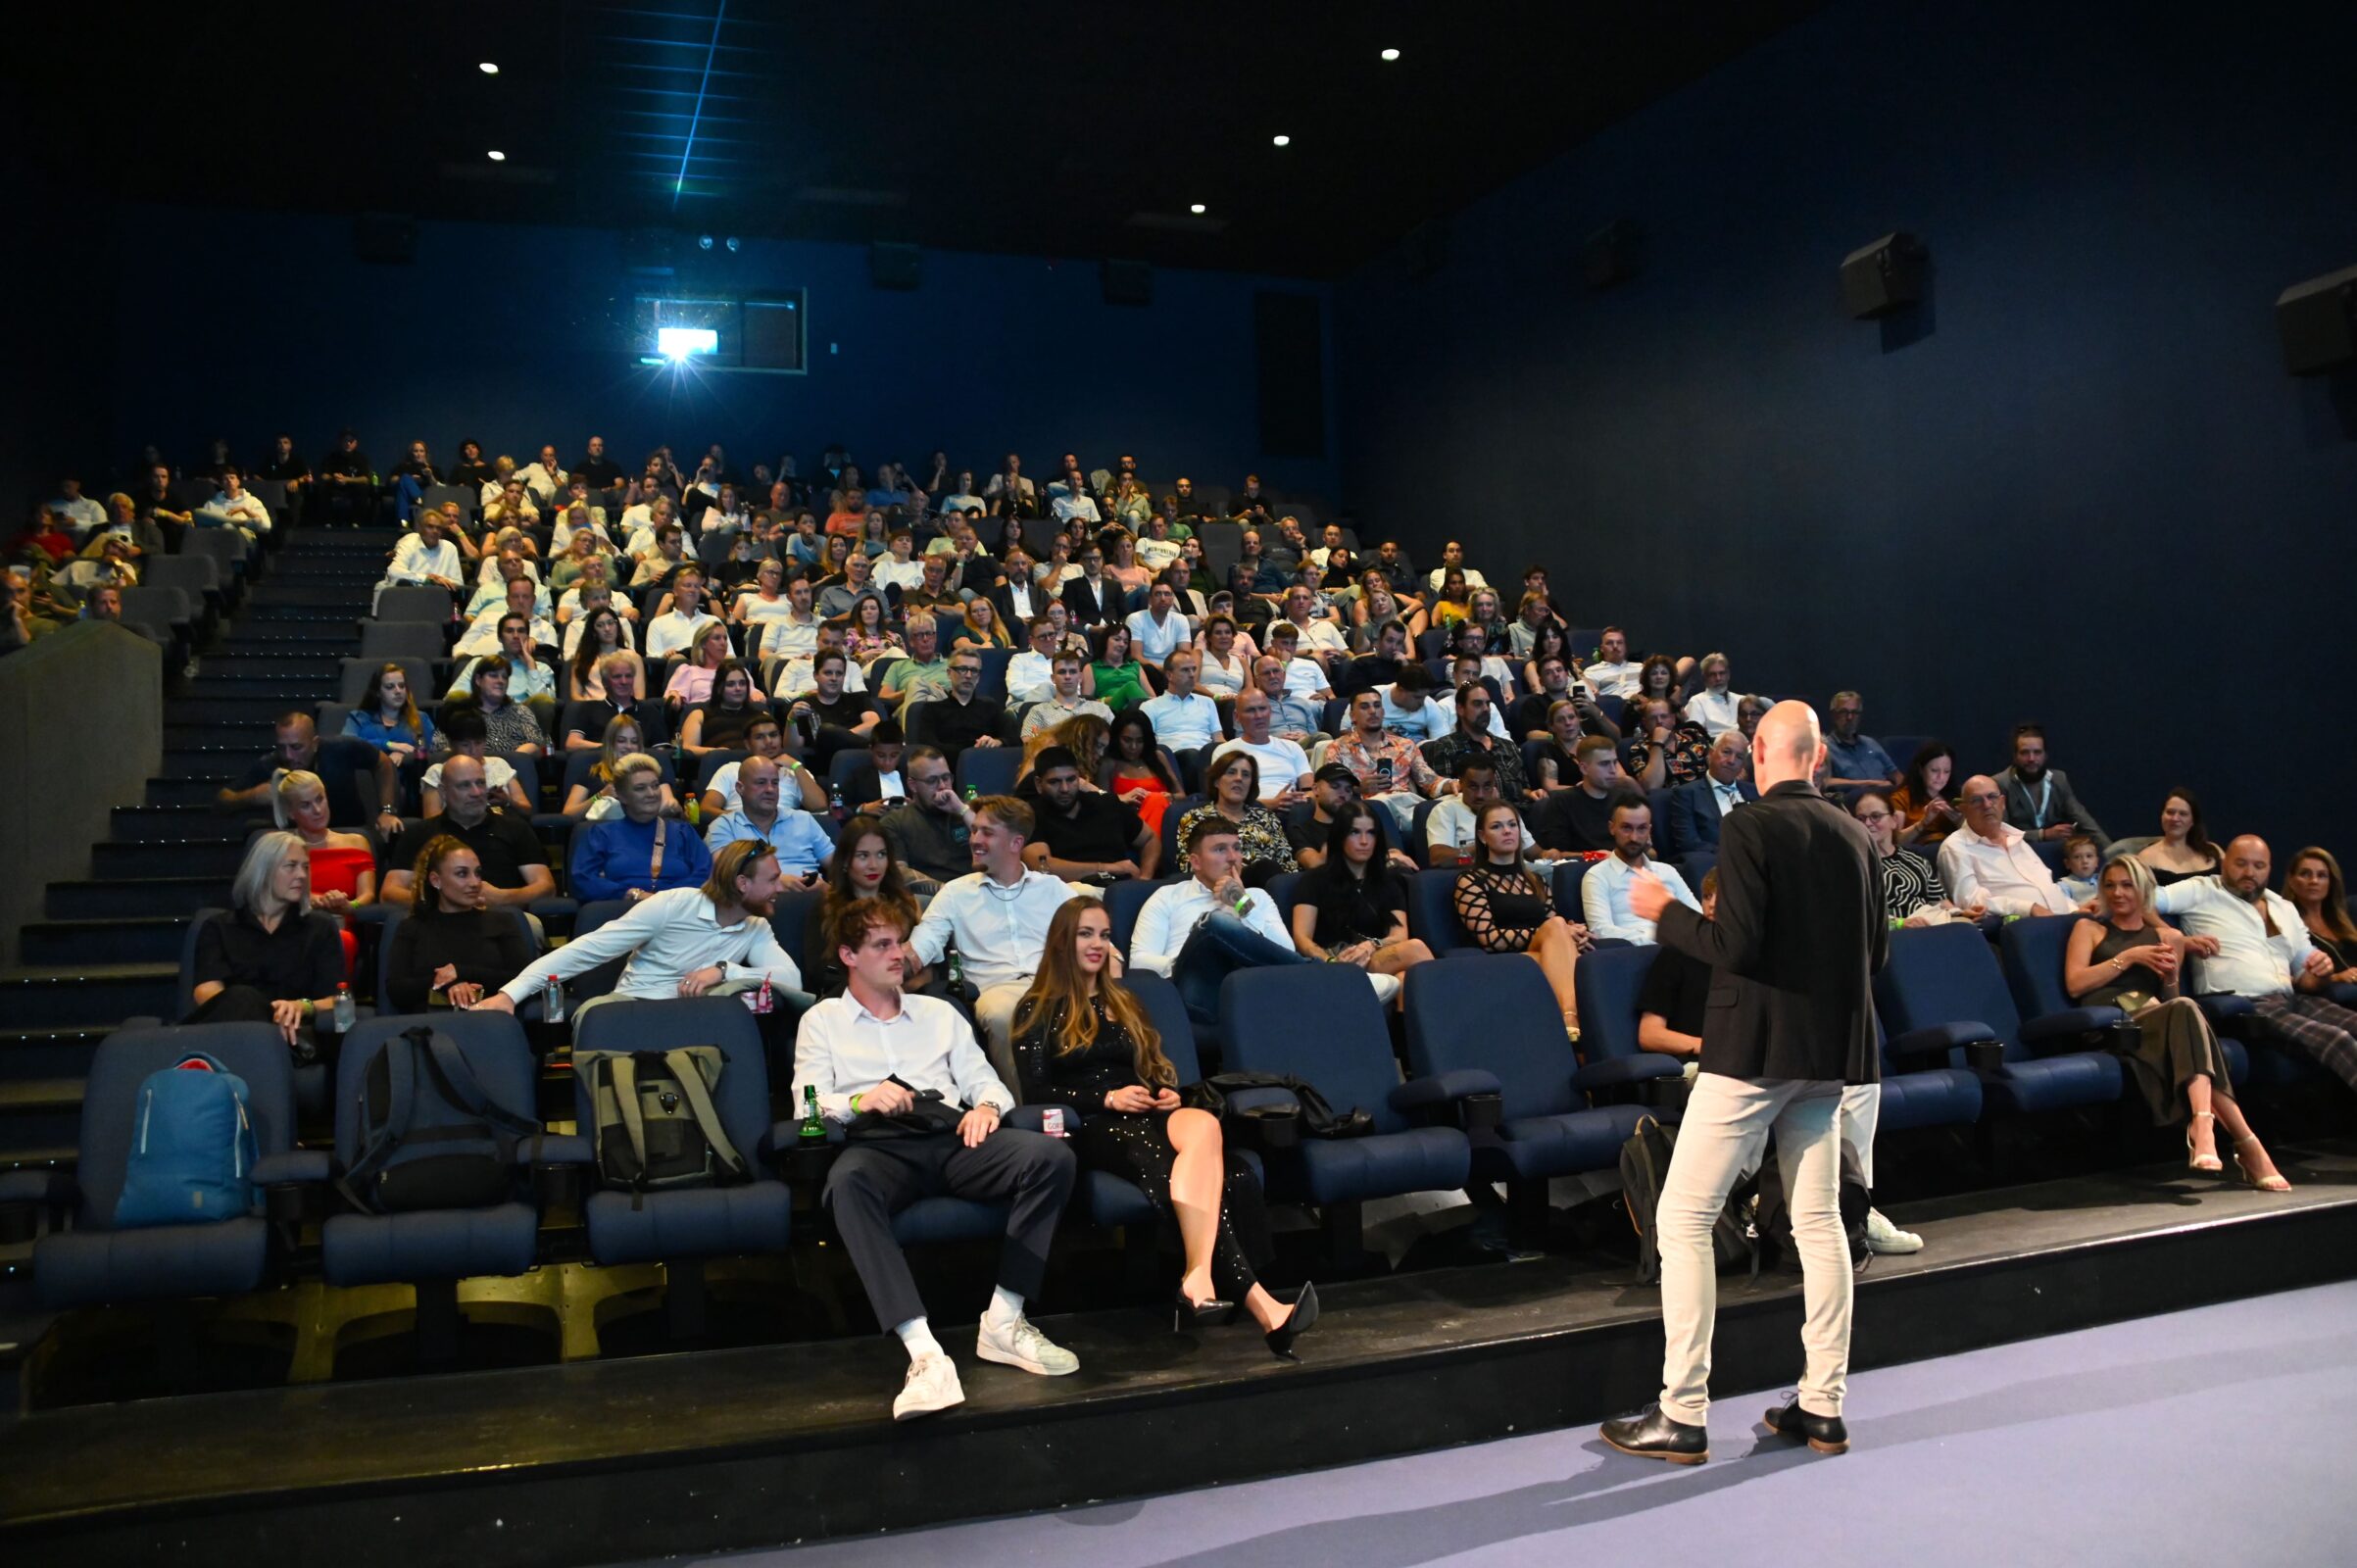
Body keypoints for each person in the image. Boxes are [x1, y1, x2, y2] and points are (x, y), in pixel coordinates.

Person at [1603, 701, 1884, 1465]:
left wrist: (1665, 913)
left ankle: (1681, 1411)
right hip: (1828, 1052)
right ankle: (1822, 1404)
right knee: (1818, 1221)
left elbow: (1735, 943)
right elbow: (1877, 957)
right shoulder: (1856, 834)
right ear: (1817, 756)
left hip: (1754, 1049)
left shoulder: (1749, 824)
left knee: (1682, 1217)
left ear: (1760, 750)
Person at [795, 900, 1079, 1420]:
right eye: (881, 945)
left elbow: (984, 1080)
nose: (898, 954)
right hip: (879, 1146)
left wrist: (987, 1108)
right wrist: (860, 1099)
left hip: (951, 1138)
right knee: (847, 1184)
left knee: (1049, 1157)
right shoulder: (823, 1020)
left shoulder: (939, 1012)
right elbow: (806, 1105)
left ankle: (1005, 1319)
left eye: (899, 942)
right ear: (848, 956)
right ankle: (924, 1352)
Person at [1013, 899, 1317, 1349]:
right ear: (1061, 942)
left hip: (1145, 1110)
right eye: (1085, 934)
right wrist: (1106, 1098)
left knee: (1205, 1126)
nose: (1097, 944)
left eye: (1103, 935)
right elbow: (1036, 1092)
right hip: (1093, 1122)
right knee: (1190, 1168)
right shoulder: (1037, 1008)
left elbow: (1148, 1067)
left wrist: (1163, 1091)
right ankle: (1264, 1306)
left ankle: (1197, 1275)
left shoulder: (1124, 1001)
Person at [2066, 858, 2287, 1188]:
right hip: (2112, 1021)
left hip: (2155, 1015)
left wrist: (2170, 978)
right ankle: (2238, 1141)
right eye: (2109, 885)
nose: (2117, 893)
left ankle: (2208, 1127)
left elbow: (2171, 998)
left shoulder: (2168, 936)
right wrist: (2128, 958)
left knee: (2184, 1008)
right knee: (2188, 1016)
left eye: (2127, 885)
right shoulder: (2089, 928)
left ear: (2144, 889)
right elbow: (2075, 984)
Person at [479, 840, 802, 1028]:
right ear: (742, 884)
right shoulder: (673, 905)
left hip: (694, 1018)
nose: (779, 888)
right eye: (772, 880)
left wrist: (724, 970)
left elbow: (792, 980)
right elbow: (586, 950)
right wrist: (511, 994)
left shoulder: (756, 926)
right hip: (635, 1006)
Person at [908, 795, 1099, 1077]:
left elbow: (1096, 937)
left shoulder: (1052, 888)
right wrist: (898, 959)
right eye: (974, 830)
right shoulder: (955, 893)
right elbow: (923, 944)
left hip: (1054, 984)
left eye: (987, 832)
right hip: (997, 990)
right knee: (1001, 1013)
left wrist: (1112, 962)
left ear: (1016, 843)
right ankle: (1024, 1103)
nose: (974, 840)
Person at [2159, 836, 2357, 1094]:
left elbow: (2306, 978)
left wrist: (2323, 970)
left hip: (2294, 998)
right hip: (2249, 1006)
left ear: (2269, 869)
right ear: (2224, 863)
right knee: (2338, 1039)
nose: (2250, 873)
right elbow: (2141, 900)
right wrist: (2176, 937)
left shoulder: (2283, 907)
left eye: (2258, 866)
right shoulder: (2202, 891)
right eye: (2241, 863)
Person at [1135, 815, 1372, 1023]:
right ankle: (1325, 975)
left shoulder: (1257, 897)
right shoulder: (1167, 896)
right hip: (1198, 995)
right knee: (1214, 923)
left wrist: (1242, 904)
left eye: (1237, 848)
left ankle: (1321, 977)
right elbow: (1139, 961)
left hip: (1255, 991)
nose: (1233, 858)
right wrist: (1186, 957)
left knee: (1223, 927)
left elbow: (1284, 951)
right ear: (1195, 861)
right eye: (1220, 849)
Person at [185, 832, 348, 1050]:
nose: (302, 875)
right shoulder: (218, 927)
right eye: (291, 866)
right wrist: (267, 1014)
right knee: (242, 997)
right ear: (264, 870)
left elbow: (339, 1001)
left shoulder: (320, 928)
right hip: (232, 1034)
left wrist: (301, 1006)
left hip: (295, 1037)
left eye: (305, 867)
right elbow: (206, 993)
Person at [1453, 802, 1589, 1038]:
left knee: (1564, 935)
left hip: (1540, 955)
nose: (1507, 831)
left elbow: (1553, 925)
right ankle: (1571, 1015)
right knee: (1558, 934)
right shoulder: (1470, 881)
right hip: (1500, 961)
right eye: (1497, 826)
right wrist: (1554, 932)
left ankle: (1568, 1027)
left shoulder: (1537, 880)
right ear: (1482, 837)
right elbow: (1490, 939)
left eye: (1512, 824)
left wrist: (1573, 932)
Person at [1289, 806, 1435, 998]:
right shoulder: (1313, 880)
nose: (1364, 841)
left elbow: (1400, 935)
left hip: (1373, 956)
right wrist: (1331, 962)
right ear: (1340, 836)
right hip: (1334, 962)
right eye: (1355, 832)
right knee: (1416, 949)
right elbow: (1302, 938)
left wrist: (1371, 945)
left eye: (1371, 833)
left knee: (1404, 979)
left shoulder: (1389, 881)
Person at [381, 756, 559, 909]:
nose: (476, 792)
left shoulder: (515, 828)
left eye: (480, 783)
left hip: (502, 916)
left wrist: (502, 898)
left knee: (531, 926)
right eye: (464, 785)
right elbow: (389, 893)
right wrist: (446, 901)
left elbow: (546, 887)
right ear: (443, 792)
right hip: (438, 921)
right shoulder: (420, 833)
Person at [383, 838, 537, 1011]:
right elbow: (397, 990)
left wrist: (461, 972)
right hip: (430, 1022)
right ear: (436, 880)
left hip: (491, 1019)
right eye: (462, 874)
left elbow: (524, 981)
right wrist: (446, 983)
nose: (475, 883)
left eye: (477, 873)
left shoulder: (502, 921)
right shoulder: (412, 927)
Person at [808, 813, 929, 998]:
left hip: (912, 997)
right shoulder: (827, 908)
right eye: (863, 856)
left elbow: (927, 968)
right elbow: (822, 974)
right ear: (845, 861)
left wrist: (906, 988)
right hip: (850, 1000)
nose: (873, 865)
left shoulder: (906, 903)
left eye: (881, 854)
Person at [570, 754, 713, 904]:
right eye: (640, 788)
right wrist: (631, 894)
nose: (651, 794)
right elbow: (583, 880)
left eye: (655, 786)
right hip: (622, 909)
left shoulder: (682, 831)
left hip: (679, 907)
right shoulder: (601, 834)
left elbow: (705, 872)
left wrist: (666, 898)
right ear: (622, 796)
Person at [218, 711, 385, 838]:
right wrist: (251, 796)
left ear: (315, 743)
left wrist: (388, 810)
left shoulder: (340, 749)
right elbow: (221, 803)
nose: (288, 756)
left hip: (347, 833)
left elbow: (384, 763)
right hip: (297, 842)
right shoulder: (271, 763)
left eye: (296, 747)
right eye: (282, 748)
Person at [1938, 775, 2077, 916]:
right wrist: (2028, 908)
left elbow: (2047, 885)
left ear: (2002, 803)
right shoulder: (1955, 847)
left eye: (1992, 797)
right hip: (2024, 924)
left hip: (2064, 918)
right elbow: (1971, 902)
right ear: (1963, 809)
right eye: (1976, 800)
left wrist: (2074, 909)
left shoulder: (2016, 837)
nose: (1987, 805)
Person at [1022, 747, 1158, 883]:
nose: (1065, 788)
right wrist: (1108, 868)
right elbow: (1041, 866)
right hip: (1068, 890)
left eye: (1071, 779)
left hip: (1119, 887)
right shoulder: (1030, 815)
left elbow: (1150, 839)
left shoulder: (1107, 804)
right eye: (1054, 782)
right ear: (1038, 784)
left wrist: (1144, 878)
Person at [1851, 790, 1984, 925]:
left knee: (1967, 925)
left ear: (1894, 821)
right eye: (1861, 819)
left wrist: (1961, 913)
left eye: (1875, 816)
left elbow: (1940, 901)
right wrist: (1901, 924)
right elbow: (1855, 915)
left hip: (1928, 922)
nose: (1867, 823)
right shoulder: (1853, 865)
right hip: (1888, 931)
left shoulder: (1915, 859)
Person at [1584, 797, 1701, 944]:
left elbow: (1698, 917)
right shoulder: (1597, 876)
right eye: (1626, 828)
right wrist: (1660, 939)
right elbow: (1601, 931)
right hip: (1635, 953)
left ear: (1649, 830)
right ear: (1612, 828)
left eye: (1641, 828)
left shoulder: (1667, 871)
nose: (1634, 837)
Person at [1174, 751, 1299, 885]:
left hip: (1268, 889)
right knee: (1265, 868)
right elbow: (1188, 866)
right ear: (1216, 781)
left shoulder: (1267, 817)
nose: (1239, 778)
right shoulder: (1195, 818)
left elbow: (1288, 865)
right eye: (1231, 772)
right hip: (1218, 886)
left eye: (1245, 775)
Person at [703, 755, 834, 880]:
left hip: (813, 892)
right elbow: (725, 878)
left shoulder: (804, 820)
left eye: (775, 783)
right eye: (761, 783)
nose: (770, 789)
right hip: (752, 896)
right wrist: (780, 882)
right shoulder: (723, 827)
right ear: (740, 788)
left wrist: (828, 889)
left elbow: (836, 864)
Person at [1330, 688, 1440, 830]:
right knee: (1380, 803)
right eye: (1364, 707)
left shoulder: (1405, 745)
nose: (1372, 711)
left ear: (1383, 712)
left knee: (1453, 801)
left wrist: (1454, 785)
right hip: (1367, 813)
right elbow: (1332, 792)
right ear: (1353, 716)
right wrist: (1358, 789)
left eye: (1377, 706)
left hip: (1407, 807)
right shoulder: (1337, 748)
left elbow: (1430, 780)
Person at [1995, 722, 2110, 850]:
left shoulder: (2059, 779)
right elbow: (2000, 832)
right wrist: (2043, 834)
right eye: (2024, 753)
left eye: (2037, 752)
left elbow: (2083, 819)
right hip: (2018, 851)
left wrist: (2111, 851)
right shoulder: (2000, 783)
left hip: (2056, 852)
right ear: (2015, 756)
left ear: (2045, 755)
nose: (2031, 758)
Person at [342, 662, 436, 810]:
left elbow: (430, 750)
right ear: (378, 692)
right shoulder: (360, 718)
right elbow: (348, 743)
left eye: (401, 686)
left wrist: (406, 756)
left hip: (408, 785)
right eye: (390, 687)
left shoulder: (420, 719)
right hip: (366, 782)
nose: (398, 691)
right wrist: (389, 745)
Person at [878, 745, 972, 891]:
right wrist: (947, 892)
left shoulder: (966, 811)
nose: (942, 786)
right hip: (931, 897)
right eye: (932, 780)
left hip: (975, 889)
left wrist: (962, 810)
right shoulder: (894, 822)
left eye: (946, 778)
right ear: (913, 785)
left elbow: (997, 849)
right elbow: (899, 872)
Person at [1424, 682, 1527, 801]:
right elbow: (1447, 798)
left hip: (1520, 808)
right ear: (1460, 709)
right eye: (1477, 704)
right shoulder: (1446, 746)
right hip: (1476, 810)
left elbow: (1524, 789)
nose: (1486, 709)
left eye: (1488, 704)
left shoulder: (1508, 746)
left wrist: (1532, 793)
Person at [1663, 731, 1757, 857]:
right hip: (1716, 860)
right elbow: (1688, 843)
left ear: (1743, 765)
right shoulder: (1687, 794)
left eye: (1739, 757)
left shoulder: (1755, 791)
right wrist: (1732, 854)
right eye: (1726, 752)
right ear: (1711, 753)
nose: (1732, 761)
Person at [1540, 735, 1638, 855]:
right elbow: (1557, 855)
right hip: (1581, 864)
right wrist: (1597, 856)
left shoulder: (1625, 798)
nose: (1613, 770)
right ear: (1584, 768)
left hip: (1623, 863)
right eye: (1604, 764)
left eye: (1615, 762)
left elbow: (1649, 851)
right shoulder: (1562, 801)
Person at [1210, 690, 1311, 805]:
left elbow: (1309, 791)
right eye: (1250, 710)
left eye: (1262, 709)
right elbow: (1225, 799)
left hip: (1292, 809)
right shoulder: (1224, 751)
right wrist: (1273, 804)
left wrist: (1301, 800)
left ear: (1270, 711)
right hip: (1248, 812)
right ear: (1237, 716)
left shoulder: (1292, 747)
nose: (1259, 716)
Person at [908, 650, 1006, 764]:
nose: (968, 675)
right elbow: (929, 748)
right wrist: (971, 751)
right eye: (962, 669)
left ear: (979, 677)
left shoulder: (990, 707)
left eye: (974, 671)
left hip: (985, 767)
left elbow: (1013, 738)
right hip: (946, 769)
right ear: (949, 673)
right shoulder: (931, 710)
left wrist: (998, 742)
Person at [1103, 709, 1182, 841]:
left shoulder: (1158, 757)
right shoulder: (1109, 764)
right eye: (1127, 740)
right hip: (1131, 825)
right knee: (1155, 800)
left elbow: (1182, 795)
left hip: (1166, 819)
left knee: (1156, 800)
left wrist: (1170, 797)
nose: (1133, 747)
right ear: (1116, 738)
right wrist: (1123, 799)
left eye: (1140, 741)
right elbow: (1101, 802)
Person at [2284, 848, 2357, 983]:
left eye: (2322, 875)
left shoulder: (2346, 916)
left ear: (2331, 882)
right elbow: (2283, 978)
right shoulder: (2284, 924)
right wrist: (2337, 977)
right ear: (2291, 880)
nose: (2314, 881)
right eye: (2305, 874)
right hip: (2334, 992)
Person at [1020, 647, 1113, 740]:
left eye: (1073, 672)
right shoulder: (1038, 712)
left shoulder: (1102, 709)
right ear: (1053, 678)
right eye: (1062, 672)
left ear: (1080, 677)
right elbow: (1029, 744)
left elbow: (1116, 741)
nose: (1068, 676)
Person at [2133, 788, 2222, 886]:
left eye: (2183, 814)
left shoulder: (2214, 850)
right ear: (2161, 816)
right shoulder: (2146, 858)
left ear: (2193, 821)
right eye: (2170, 812)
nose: (2175, 818)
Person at [1138, 650, 1220, 753]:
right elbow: (1146, 745)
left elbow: (1219, 739)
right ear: (1169, 675)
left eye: (1194, 669)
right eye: (1185, 670)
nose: (1192, 674)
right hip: (1172, 756)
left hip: (1205, 755)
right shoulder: (1150, 706)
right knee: (1190, 754)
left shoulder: (1208, 702)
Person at [1822, 691, 1901, 793]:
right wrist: (1869, 784)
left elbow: (1896, 775)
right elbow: (1823, 782)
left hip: (1886, 796)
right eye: (1843, 712)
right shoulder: (1825, 747)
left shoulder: (1871, 743)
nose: (1849, 717)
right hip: (1853, 798)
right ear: (1834, 715)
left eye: (1855, 712)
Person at [1891, 741, 1965, 849]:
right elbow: (1895, 842)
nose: (1941, 777)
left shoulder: (1957, 795)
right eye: (1934, 771)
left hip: (1955, 848)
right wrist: (1923, 822)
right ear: (1921, 770)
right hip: (1921, 852)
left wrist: (1960, 822)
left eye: (1946, 771)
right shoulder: (1901, 798)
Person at [1086, 621, 1151, 712]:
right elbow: (1086, 703)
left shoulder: (1134, 666)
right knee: (1130, 686)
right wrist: (1107, 700)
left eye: (1125, 642)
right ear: (1105, 641)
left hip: (1135, 710)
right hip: (1109, 711)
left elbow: (1152, 697)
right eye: (1117, 639)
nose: (1122, 644)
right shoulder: (1092, 667)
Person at [2058, 835, 2104, 906]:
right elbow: (2065, 907)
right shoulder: (2064, 885)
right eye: (2077, 857)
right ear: (2067, 863)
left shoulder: (2104, 879)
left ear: (2097, 862)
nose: (2085, 861)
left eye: (2089, 856)